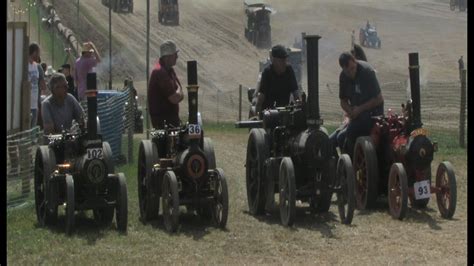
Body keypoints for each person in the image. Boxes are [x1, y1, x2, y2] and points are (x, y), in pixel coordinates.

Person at [331, 52, 384, 155]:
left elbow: (379, 99)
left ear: (355, 61)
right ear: (343, 69)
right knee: (331, 140)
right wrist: (350, 111)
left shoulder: (367, 72)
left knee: (343, 136)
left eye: (352, 68)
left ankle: (352, 166)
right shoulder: (343, 77)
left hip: (373, 115)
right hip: (356, 116)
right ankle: (339, 167)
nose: (351, 72)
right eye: (348, 71)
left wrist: (359, 109)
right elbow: (343, 101)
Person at [148, 40, 184, 129]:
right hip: (163, 124)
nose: (177, 57)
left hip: (171, 121)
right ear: (167, 57)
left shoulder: (169, 71)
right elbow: (175, 99)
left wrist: (179, 93)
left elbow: (179, 95)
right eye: (175, 55)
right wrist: (180, 90)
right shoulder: (160, 72)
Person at [255, 44, 300, 114]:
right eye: (282, 60)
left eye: (285, 59)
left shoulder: (289, 70)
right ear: (274, 60)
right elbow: (261, 98)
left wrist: (299, 106)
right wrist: (257, 116)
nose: (284, 63)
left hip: (284, 114)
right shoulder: (267, 73)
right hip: (268, 115)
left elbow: (296, 94)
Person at [28, 43, 42, 128]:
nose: (39, 55)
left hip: (34, 104)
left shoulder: (36, 66)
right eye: (38, 53)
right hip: (27, 104)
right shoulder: (25, 65)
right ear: (34, 52)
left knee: (33, 130)